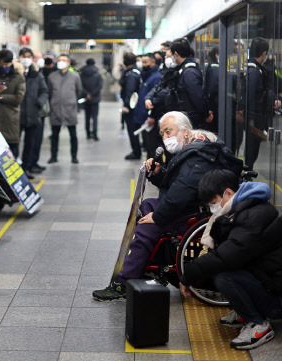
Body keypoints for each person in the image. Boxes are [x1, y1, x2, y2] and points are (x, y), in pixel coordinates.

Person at [92, 111, 242, 301]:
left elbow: (181, 193)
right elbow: (178, 186)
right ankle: (144, 264)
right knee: (147, 207)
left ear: (185, 131)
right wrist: (158, 173)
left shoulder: (198, 158)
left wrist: (157, 217)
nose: (165, 138)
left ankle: (125, 281)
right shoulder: (197, 149)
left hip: (194, 212)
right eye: (162, 133)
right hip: (191, 205)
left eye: (168, 131)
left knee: (148, 224)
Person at [180, 170, 282, 350]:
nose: (213, 208)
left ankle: (258, 324)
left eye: (213, 203)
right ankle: (245, 311)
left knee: (223, 275)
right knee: (219, 270)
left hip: (279, 299)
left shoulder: (253, 217)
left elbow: (225, 256)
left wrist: (187, 276)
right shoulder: (245, 208)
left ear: (228, 193)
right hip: (269, 280)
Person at [146, 39, 209, 129]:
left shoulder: (189, 72)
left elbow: (197, 96)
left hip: (191, 120)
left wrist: (205, 114)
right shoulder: (181, 69)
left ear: (176, 54)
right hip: (185, 118)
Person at [245, 37, 281, 170]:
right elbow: (253, 96)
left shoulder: (253, 69)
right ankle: (247, 178)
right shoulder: (254, 71)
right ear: (264, 54)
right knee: (251, 153)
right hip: (254, 118)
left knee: (252, 152)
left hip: (254, 118)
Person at [0, 49, 26, 157]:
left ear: (12, 62)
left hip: (10, 119)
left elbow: (18, 98)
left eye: (7, 64)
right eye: (2, 64)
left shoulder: (18, 76)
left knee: (11, 152)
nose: (4, 66)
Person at [47, 54, 83, 164]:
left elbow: (79, 91)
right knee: (54, 135)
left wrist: (71, 101)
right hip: (56, 109)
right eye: (60, 60)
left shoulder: (75, 76)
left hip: (69, 109)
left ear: (68, 63)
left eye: (64, 60)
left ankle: (74, 156)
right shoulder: (51, 76)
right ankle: (53, 156)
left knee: (73, 135)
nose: (61, 62)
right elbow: (49, 92)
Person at [19, 48, 49, 176]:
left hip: (33, 113)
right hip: (17, 115)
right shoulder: (15, 73)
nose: (26, 59)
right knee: (14, 144)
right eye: (23, 56)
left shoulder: (36, 75)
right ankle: (14, 170)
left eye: (28, 57)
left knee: (30, 143)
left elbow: (44, 91)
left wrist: (38, 103)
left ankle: (27, 167)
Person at [134, 53, 163, 160]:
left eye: (145, 62)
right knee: (148, 146)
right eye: (142, 62)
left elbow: (155, 98)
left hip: (150, 119)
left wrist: (152, 116)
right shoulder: (147, 76)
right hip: (144, 118)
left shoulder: (156, 77)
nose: (143, 65)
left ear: (153, 62)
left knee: (152, 147)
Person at [119, 53, 142, 160]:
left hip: (132, 107)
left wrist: (126, 105)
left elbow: (130, 91)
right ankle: (136, 150)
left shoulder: (131, 74)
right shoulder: (133, 71)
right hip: (134, 105)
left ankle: (136, 152)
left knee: (132, 129)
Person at [80, 58, 104, 141]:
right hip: (95, 98)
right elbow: (99, 86)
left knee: (87, 117)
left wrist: (87, 94)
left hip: (86, 99)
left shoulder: (82, 73)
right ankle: (95, 133)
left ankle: (87, 133)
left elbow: (80, 86)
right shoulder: (97, 73)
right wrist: (92, 94)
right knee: (94, 117)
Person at [204, 46, 220, 133]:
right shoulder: (214, 69)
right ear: (216, 55)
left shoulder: (213, 68)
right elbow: (213, 89)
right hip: (215, 105)